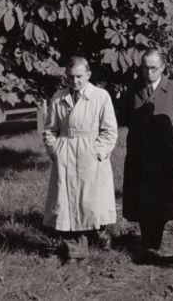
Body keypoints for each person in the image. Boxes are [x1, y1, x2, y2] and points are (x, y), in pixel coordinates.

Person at [43, 56, 119, 262]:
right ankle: (75, 251)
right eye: (70, 77)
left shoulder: (101, 97)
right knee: (67, 204)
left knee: (91, 203)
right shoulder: (58, 98)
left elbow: (110, 131)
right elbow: (50, 130)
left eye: (79, 77)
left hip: (90, 155)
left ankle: (101, 235)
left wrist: (98, 153)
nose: (75, 81)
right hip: (66, 154)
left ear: (88, 75)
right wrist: (55, 150)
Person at [122, 49, 173, 261]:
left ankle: (153, 241)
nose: (148, 72)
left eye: (153, 68)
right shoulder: (133, 89)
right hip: (139, 154)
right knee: (140, 198)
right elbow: (127, 118)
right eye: (144, 68)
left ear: (163, 67)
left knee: (161, 198)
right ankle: (146, 239)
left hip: (164, 155)